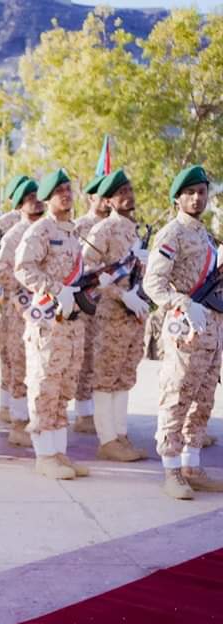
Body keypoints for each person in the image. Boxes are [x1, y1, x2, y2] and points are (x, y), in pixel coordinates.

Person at [143, 165, 223, 499]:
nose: (196, 198)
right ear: (177, 198)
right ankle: (172, 470)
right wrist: (182, 303)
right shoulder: (171, 234)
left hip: (212, 329)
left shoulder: (206, 236)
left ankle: (192, 465)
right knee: (177, 397)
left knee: (203, 399)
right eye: (189, 193)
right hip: (186, 329)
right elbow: (153, 284)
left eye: (201, 192)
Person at [14, 169, 88, 479]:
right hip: (47, 322)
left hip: (70, 322)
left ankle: (59, 452)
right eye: (59, 190)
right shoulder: (40, 230)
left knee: (64, 386)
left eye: (68, 189)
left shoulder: (73, 232)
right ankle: (44, 455)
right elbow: (23, 268)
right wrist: (56, 289)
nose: (66, 194)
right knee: (45, 385)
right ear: (47, 197)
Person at [81, 169, 149, 462]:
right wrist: (121, 295)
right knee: (106, 377)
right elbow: (86, 272)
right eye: (120, 193)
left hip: (133, 317)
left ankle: (121, 435)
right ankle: (107, 439)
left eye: (129, 190)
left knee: (125, 376)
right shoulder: (103, 229)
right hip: (110, 314)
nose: (127, 196)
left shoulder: (135, 230)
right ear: (108, 200)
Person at [0, 178, 45, 446]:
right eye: (30, 198)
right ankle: (19, 422)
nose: (36, 202)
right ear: (21, 204)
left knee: (43, 367)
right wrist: (26, 285)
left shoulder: (47, 229)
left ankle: (38, 420)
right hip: (20, 309)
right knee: (20, 365)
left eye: (39, 196)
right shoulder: (15, 234)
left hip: (47, 308)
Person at [0, 175, 29, 422]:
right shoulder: (4, 224)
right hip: (9, 295)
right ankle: (7, 406)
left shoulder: (39, 222)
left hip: (32, 300)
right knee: (9, 352)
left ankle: (17, 407)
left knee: (21, 354)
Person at [71, 174, 112, 433]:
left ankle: (100, 412)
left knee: (104, 358)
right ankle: (83, 412)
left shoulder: (115, 225)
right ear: (90, 197)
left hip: (111, 303)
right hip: (87, 301)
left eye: (109, 195)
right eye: (102, 195)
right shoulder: (80, 226)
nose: (107, 200)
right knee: (85, 358)